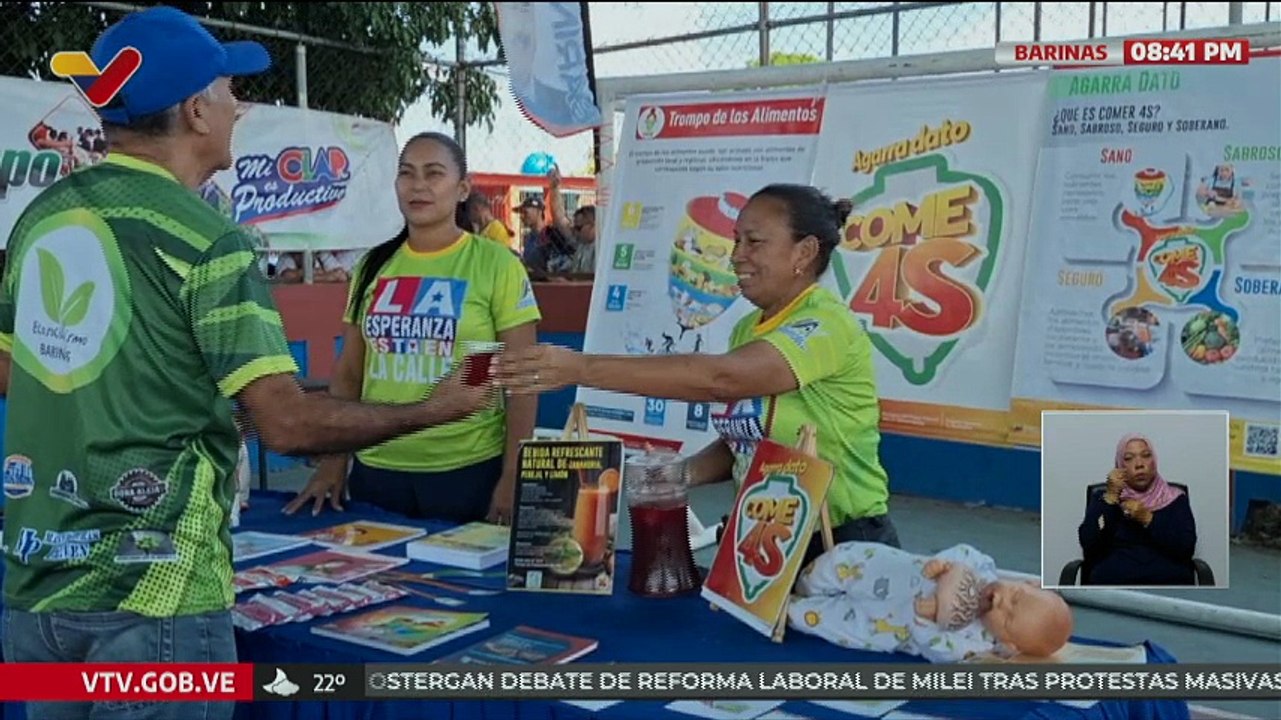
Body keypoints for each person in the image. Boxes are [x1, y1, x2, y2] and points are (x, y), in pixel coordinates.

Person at [0, 8, 492, 720]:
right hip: (153, 597)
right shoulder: (207, 238)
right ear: (197, 111)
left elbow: (21, 373)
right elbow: (286, 424)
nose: (240, 105)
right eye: (230, 89)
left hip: (37, 590)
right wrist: (433, 409)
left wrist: (176, 395)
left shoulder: (41, 218)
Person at [495, 183, 901, 565]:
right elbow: (747, 442)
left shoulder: (826, 324)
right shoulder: (749, 329)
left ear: (804, 252)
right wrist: (678, 474)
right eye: (737, 240)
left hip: (841, 541)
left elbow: (722, 380)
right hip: (769, 539)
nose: (736, 255)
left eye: (754, 242)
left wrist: (581, 368)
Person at [284, 131, 542, 526]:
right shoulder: (372, 266)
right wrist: (334, 462)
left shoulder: (496, 264)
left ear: (461, 190)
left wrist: (512, 475)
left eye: (433, 173)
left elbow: (522, 379)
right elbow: (350, 372)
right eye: (407, 173)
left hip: (467, 470)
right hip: (377, 469)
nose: (418, 185)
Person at [787, 541, 1073, 662]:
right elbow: (962, 552)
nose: (1001, 600)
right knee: (836, 562)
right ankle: (799, 584)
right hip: (878, 569)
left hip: (877, 627)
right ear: (1027, 583)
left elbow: (937, 651)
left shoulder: (974, 646)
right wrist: (945, 568)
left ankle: (786, 609)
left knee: (819, 620)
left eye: (1008, 617)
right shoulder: (981, 568)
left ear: (1009, 644)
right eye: (1015, 596)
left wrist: (927, 620)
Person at [1077, 433, 1199, 586]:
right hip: (1116, 582)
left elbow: (1186, 547)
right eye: (1129, 458)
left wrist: (1148, 519)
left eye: (1146, 456)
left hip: (1167, 582)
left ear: (1154, 462)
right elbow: (1090, 542)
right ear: (1120, 466)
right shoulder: (1105, 500)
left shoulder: (1174, 499)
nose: (1139, 464)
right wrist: (1110, 500)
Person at [515, 195, 574, 275]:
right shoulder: (529, 238)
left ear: (539, 212)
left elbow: (559, 267)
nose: (522, 217)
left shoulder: (551, 235)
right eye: (521, 213)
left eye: (525, 212)